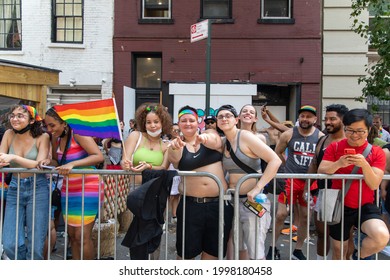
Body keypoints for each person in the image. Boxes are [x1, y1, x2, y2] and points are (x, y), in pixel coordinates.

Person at [318, 108, 389, 260]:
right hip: (338, 203)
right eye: (350, 130)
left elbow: (374, 183)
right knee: (339, 250)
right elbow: (322, 169)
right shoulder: (335, 146)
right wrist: (338, 163)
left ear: (369, 129)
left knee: (381, 236)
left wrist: (365, 165)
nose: (355, 135)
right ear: (344, 128)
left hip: (365, 205)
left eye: (360, 131)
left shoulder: (376, 152)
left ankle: (358, 258)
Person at [168, 105, 233, 260]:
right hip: (190, 206)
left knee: (213, 253)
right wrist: (175, 148)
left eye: (192, 120)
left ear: (199, 122)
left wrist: (203, 139)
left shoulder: (209, 133)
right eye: (184, 120)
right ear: (179, 123)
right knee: (186, 254)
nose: (188, 123)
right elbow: (174, 160)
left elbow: (215, 141)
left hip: (218, 205)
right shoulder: (175, 144)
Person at [217, 104, 281, 260]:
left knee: (256, 252)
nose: (224, 119)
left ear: (236, 119)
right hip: (232, 202)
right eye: (220, 117)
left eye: (228, 116)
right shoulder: (224, 142)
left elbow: (275, 160)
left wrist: (258, 188)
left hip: (252, 201)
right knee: (238, 248)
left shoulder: (245, 136)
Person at [41, 107, 104, 260]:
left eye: (52, 125)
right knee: (73, 236)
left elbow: (98, 156)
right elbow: (58, 160)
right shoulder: (55, 139)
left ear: (64, 123)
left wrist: (73, 164)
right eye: (46, 126)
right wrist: (48, 161)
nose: (49, 129)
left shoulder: (78, 134)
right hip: (69, 188)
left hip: (88, 186)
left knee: (82, 236)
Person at [270, 105, 324, 260]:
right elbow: (277, 152)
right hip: (290, 180)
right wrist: (286, 165)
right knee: (281, 214)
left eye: (309, 116)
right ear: (298, 118)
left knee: (306, 217)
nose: (305, 119)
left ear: (314, 119)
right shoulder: (288, 134)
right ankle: (272, 247)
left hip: (309, 182)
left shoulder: (320, 136)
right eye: (302, 116)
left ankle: (298, 250)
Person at [0, 105, 50, 260]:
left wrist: (13, 158)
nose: (15, 119)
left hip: (38, 188)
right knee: (9, 244)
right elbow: (1, 157)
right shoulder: (9, 134)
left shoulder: (43, 137)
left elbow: (39, 164)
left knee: (35, 247)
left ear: (32, 120)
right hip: (15, 187)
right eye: (13, 115)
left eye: (20, 116)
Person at [306, 104, 349, 259]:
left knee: (344, 237)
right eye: (326, 119)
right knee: (321, 232)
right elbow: (314, 164)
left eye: (333, 119)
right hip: (324, 193)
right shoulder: (322, 140)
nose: (328, 122)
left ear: (343, 121)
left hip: (346, 195)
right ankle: (320, 264)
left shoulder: (350, 142)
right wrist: (308, 188)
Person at [121, 103, 172, 184]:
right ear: (144, 124)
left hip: (155, 190)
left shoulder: (166, 146)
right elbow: (124, 160)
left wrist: (149, 166)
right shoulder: (135, 136)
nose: (152, 125)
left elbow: (164, 168)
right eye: (148, 122)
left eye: (156, 122)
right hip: (132, 188)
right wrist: (125, 164)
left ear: (163, 123)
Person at [168, 123, 181, 224]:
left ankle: (174, 215)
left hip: (178, 172)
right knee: (168, 196)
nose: (176, 132)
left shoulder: (182, 142)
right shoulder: (165, 142)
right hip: (168, 172)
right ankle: (163, 219)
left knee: (176, 195)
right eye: (173, 129)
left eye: (178, 130)